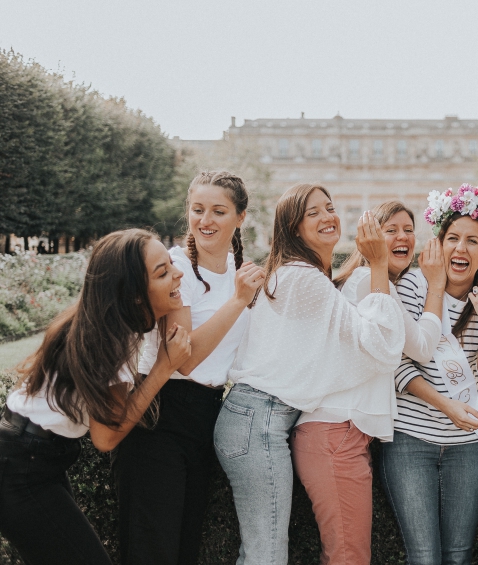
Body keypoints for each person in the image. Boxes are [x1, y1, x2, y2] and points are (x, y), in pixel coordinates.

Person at [214, 183, 405, 565]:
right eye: (312, 213)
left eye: (329, 207)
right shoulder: (304, 279)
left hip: (259, 419)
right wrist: (379, 265)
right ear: (292, 228)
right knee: (265, 556)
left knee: (263, 554)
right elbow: (381, 345)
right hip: (258, 421)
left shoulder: (300, 276)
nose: (327, 217)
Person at [0, 229, 191, 565]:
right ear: (133, 295)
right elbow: (105, 437)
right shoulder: (112, 343)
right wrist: (164, 366)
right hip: (22, 466)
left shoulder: (101, 320)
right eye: (162, 272)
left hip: (25, 454)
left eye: (171, 263)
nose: (178, 273)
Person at [112, 172, 265, 565]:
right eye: (197, 210)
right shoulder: (176, 268)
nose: (205, 221)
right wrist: (238, 301)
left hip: (207, 415)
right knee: (152, 547)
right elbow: (185, 356)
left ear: (240, 217)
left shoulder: (241, 270)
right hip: (160, 412)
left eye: (218, 211)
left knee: (184, 549)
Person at [291, 200, 445, 565]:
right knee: (349, 556)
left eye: (409, 229)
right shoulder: (366, 283)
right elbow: (421, 347)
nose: (403, 236)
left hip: (340, 433)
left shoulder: (368, 282)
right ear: (370, 238)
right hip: (336, 434)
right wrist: (436, 286)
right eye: (390, 229)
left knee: (346, 553)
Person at [380, 184, 478, 565]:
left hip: (468, 444)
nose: (461, 248)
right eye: (452, 238)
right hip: (411, 440)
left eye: (473, 241)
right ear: (439, 243)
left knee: (458, 554)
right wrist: (444, 405)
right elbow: (397, 364)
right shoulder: (411, 286)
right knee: (423, 556)